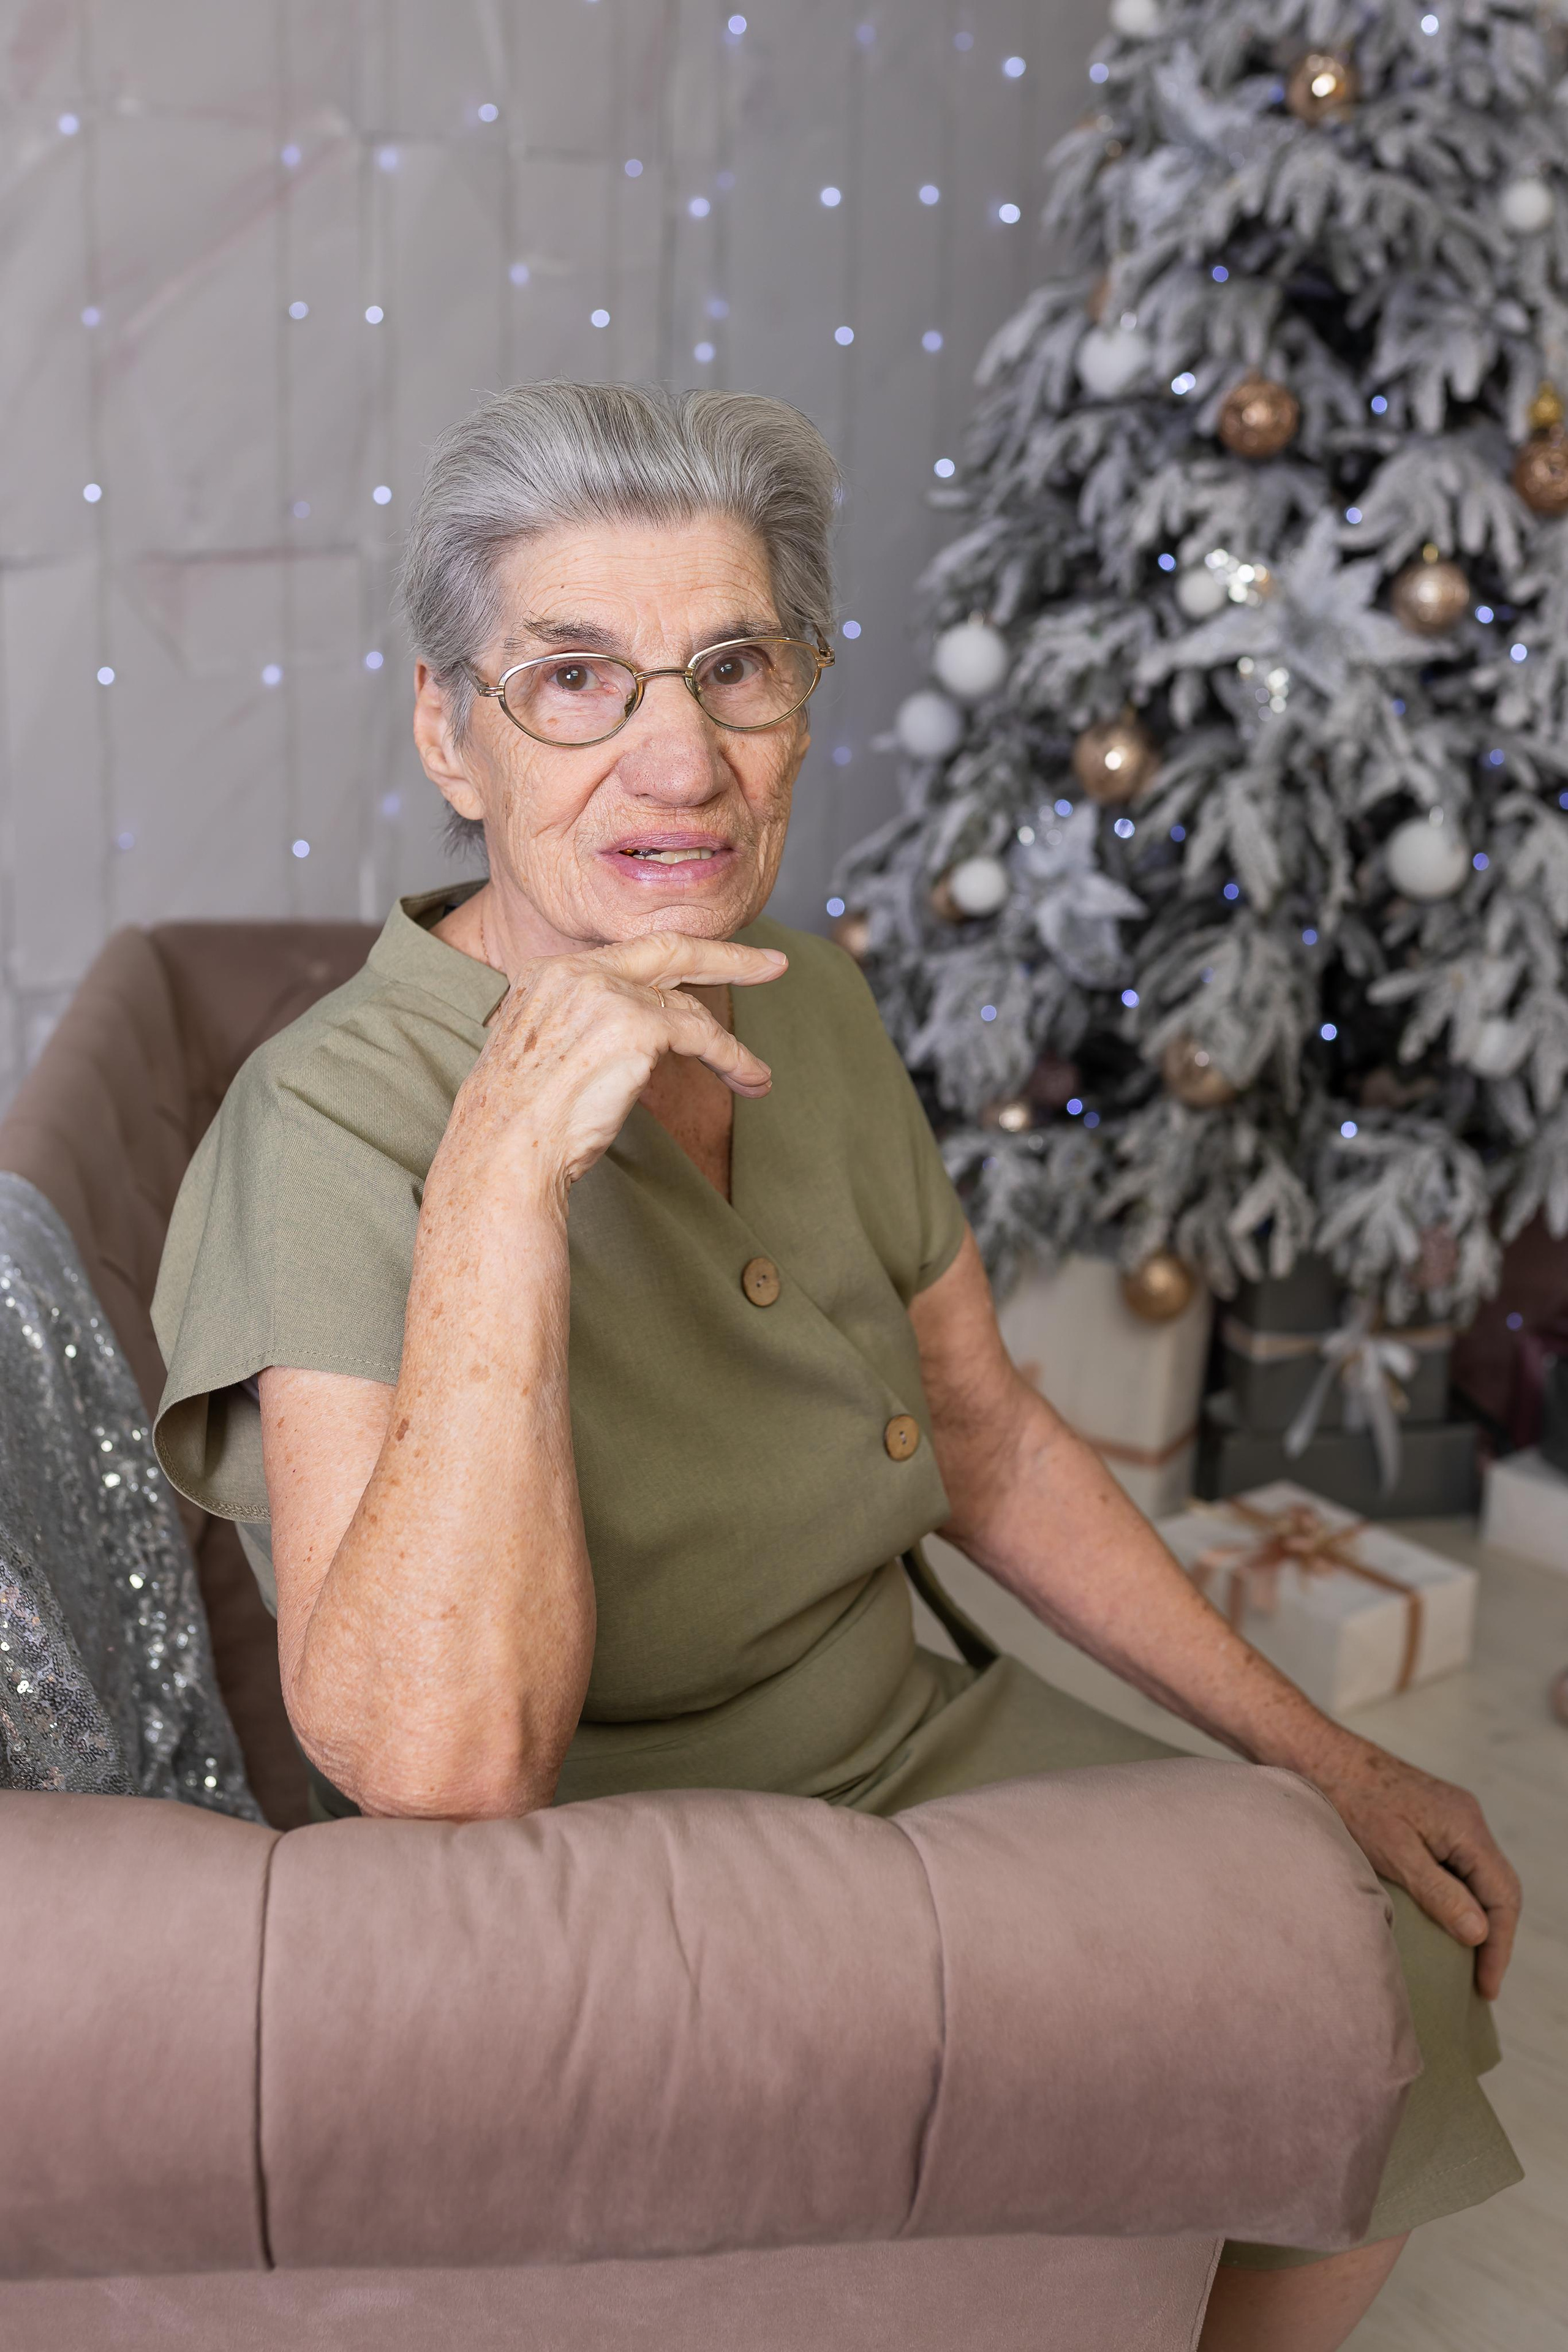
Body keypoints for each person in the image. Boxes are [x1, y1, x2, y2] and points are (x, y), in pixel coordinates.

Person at [152, 381, 1521, 2352]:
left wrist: (1320, 1750)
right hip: (613, 1860)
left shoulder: (823, 994)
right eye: (576, 680)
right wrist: (500, 1183)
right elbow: (441, 1770)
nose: (677, 759)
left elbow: (985, 1431)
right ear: (454, 733)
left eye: (734, 666)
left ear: (801, 700)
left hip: (908, 1740)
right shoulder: (326, 1123)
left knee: (1383, 1950)